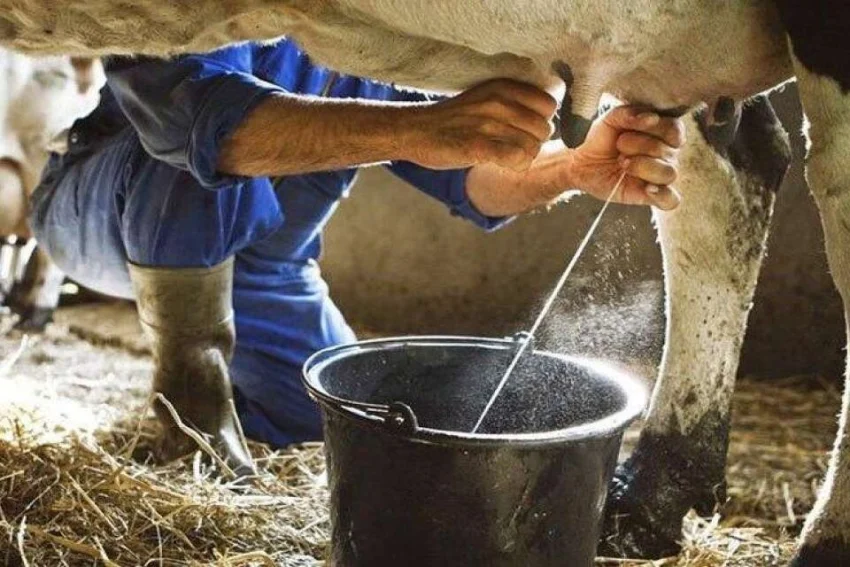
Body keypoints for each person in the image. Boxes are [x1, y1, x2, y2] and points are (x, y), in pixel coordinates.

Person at [29, 38, 684, 473]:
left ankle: (244, 391)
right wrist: (420, 131)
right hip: (98, 204)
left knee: (342, 428)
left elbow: (471, 175)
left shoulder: (369, 36)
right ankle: (189, 402)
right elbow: (196, 123)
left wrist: (573, 166)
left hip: (266, 273)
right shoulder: (207, 18)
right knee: (201, 155)